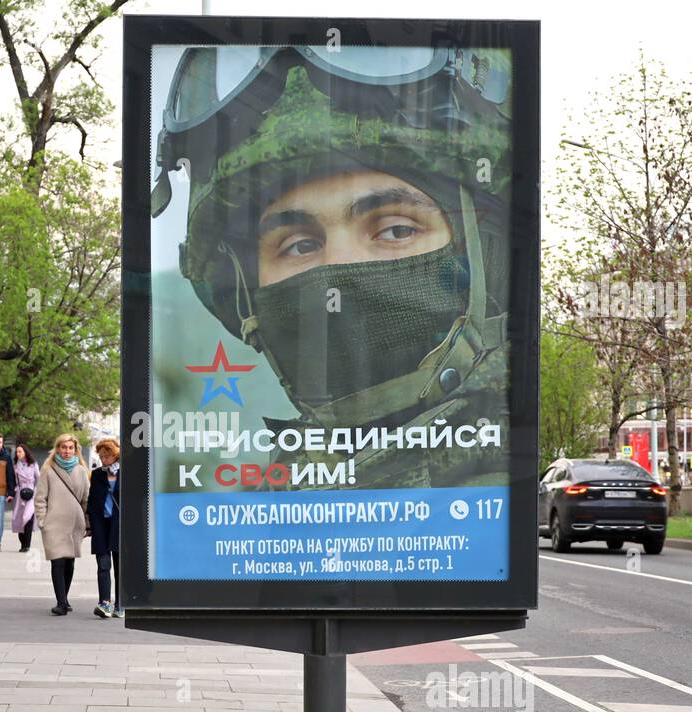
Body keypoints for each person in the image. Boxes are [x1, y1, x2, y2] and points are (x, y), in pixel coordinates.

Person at [154, 45, 513, 488]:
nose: (339, 270)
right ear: (247, 296)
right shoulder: (261, 505)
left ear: (484, 260)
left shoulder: (502, 491)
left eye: (396, 231)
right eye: (300, 244)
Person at [33, 433, 89, 615]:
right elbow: (40, 498)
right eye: (63, 447)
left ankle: (65, 597)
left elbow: (86, 500)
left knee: (69, 562)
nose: (66, 451)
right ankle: (61, 602)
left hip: (74, 524)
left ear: (75, 450)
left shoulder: (81, 471)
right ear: (57, 449)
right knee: (57, 562)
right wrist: (42, 521)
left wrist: (87, 523)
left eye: (70, 448)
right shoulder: (48, 470)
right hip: (53, 524)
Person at [87, 438, 121, 618]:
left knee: (120, 565)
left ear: (115, 455)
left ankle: (121, 604)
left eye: (106, 456)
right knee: (103, 564)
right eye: (100, 457)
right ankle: (105, 602)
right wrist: (90, 522)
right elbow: (92, 500)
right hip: (101, 524)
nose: (103, 460)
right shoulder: (97, 474)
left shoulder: (127, 472)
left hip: (119, 525)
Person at [11, 443, 40, 552]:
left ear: (25, 452)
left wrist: (37, 492)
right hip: (20, 495)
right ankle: (23, 542)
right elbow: (13, 481)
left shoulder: (33, 464)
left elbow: (39, 479)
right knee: (19, 519)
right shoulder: (15, 466)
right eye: (17, 452)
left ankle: (27, 545)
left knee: (28, 518)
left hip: (31, 494)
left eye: (20, 451)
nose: (18, 454)